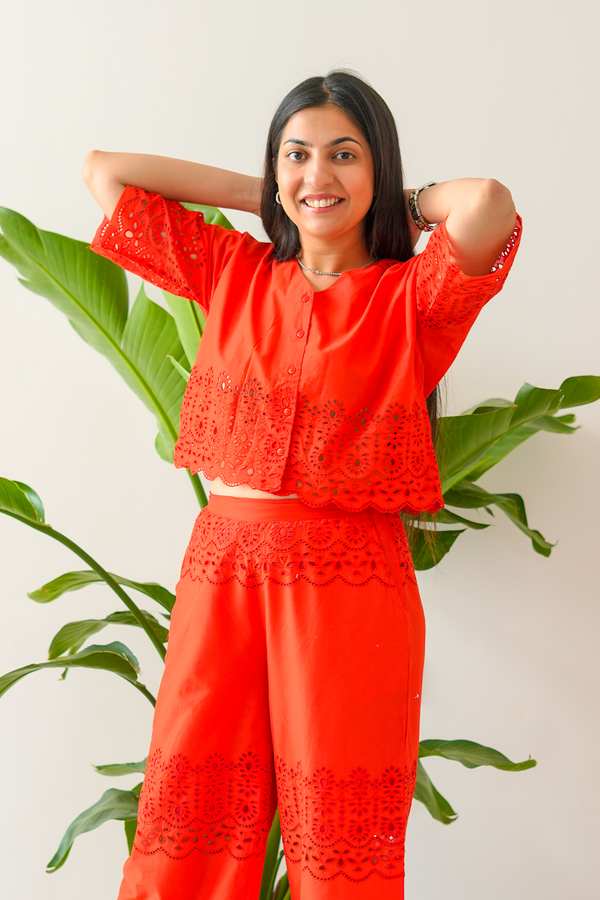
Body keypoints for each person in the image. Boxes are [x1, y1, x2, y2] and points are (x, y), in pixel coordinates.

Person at [83, 70, 521, 900]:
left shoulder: (412, 298)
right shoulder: (230, 269)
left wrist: (393, 201)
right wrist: (279, 195)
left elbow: (487, 203)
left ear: (380, 167)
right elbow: (105, 172)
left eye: (344, 155)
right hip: (223, 567)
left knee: (337, 826)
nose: (319, 172)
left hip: (347, 579)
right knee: (190, 799)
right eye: (298, 154)